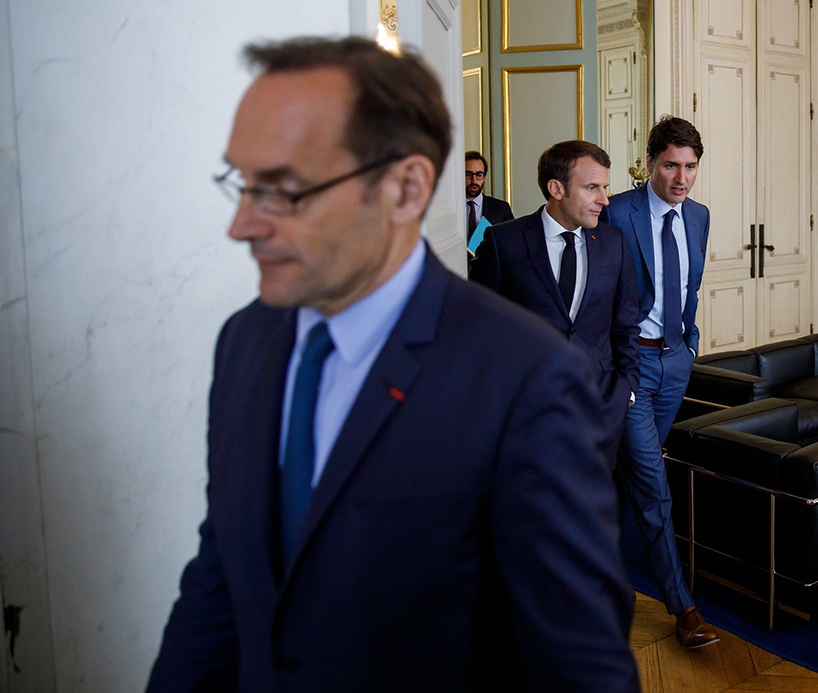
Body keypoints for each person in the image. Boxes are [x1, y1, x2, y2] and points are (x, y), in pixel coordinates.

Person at [147, 36, 638, 691]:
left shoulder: (527, 378)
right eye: (243, 183)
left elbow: (582, 667)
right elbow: (219, 576)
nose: (242, 225)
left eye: (283, 189)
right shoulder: (244, 340)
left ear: (405, 189)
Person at [600, 115, 717, 649]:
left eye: (690, 167)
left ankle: (603, 578)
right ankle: (683, 608)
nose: (681, 178)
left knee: (633, 478)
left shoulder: (699, 216)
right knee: (652, 484)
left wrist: (689, 346)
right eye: (671, 165)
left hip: (675, 363)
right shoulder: (618, 211)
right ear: (650, 162)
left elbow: (689, 287)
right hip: (630, 367)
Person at [470, 140, 639, 457]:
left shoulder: (613, 241)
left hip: (599, 407)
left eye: (604, 187)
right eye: (592, 188)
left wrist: (626, 389)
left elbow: (625, 322)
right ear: (556, 189)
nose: (604, 199)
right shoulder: (502, 242)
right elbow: (478, 329)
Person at [465, 150, 514, 240]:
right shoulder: (451, 210)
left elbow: (512, 241)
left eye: (479, 175)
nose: (474, 181)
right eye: (469, 174)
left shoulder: (501, 209)